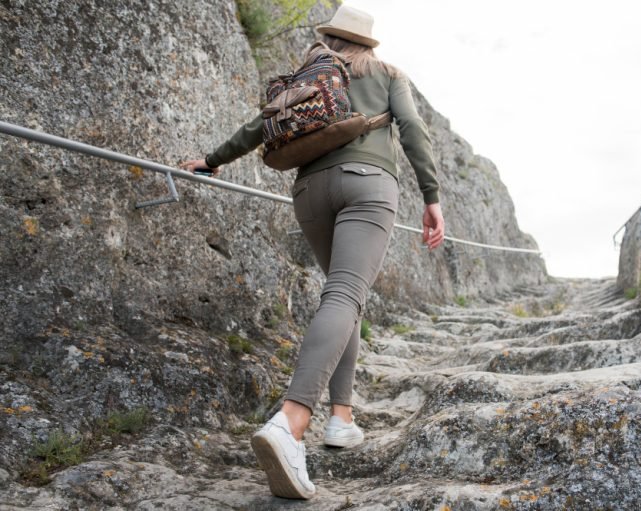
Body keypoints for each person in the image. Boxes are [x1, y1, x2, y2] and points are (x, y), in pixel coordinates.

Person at [181, 4, 444, 500]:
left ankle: (341, 418)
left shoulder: (312, 71)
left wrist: (213, 160)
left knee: (343, 299)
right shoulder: (388, 73)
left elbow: (261, 126)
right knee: (346, 294)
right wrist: (431, 199)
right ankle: (292, 421)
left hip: (310, 192)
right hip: (368, 186)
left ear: (332, 37)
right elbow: (412, 129)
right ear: (368, 43)